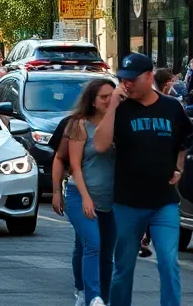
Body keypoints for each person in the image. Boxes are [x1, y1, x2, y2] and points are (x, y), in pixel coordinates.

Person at [93, 52, 193, 306]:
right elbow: (101, 144)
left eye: (131, 79)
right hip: (128, 202)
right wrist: (113, 106)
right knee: (124, 266)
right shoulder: (121, 108)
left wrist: (180, 168)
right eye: (122, 79)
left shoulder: (171, 107)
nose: (126, 84)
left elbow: (186, 142)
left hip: (164, 202)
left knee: (169, 263)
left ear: (149, 76)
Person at [63, 79, 118, 306]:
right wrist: (85, 197)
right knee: (92, 244)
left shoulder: (118, 123)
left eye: (112, 96)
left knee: (107, 254)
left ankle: (102, 298)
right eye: (104, 97)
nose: (108, 100)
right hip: (80, 196)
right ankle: (91, 296)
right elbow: (74, 166)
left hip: (111, 200)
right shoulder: (79, 125)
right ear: (92, 101)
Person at [49, 113, 85, 306]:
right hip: (77, 191)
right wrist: (57, 191)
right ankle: (83, 290)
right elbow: (59, 158)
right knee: (88, 242)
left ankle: (100, 291)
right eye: (103, 97)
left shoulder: (120, 120)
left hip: (110, 193)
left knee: (105, 246)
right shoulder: (73, 123)